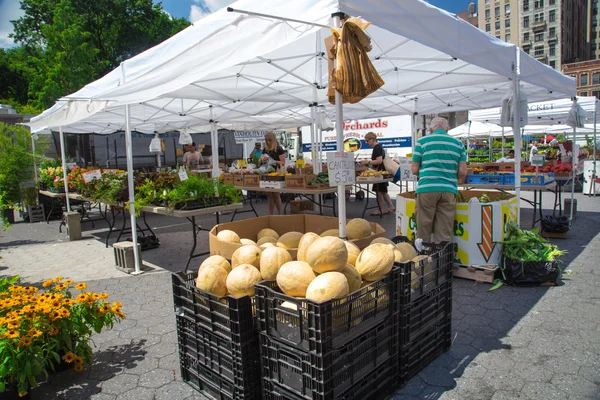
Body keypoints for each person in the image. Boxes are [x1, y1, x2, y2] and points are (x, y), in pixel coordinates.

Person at [412, 116, 467, 243]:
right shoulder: (458, 144)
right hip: (448, 190)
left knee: (423, 228)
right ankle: (442, 260)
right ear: (447, 129)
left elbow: (414, 170)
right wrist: (451, 176)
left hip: (426, 188)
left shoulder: (422, 142)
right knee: (444, 231)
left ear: (431, 128)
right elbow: (463, 172)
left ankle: (423, 259)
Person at [361, 132, 395, 215]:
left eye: (367, 140)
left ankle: (380, 210)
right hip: (382, 172)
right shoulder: (379, 147)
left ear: (372, 139)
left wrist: (368, 162)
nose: (367, 142)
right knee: (383, 191)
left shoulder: (376, 148)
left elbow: (379, 160)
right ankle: (391, 206)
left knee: (379, 191)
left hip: (379, 172)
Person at [260, 132, 287, 215]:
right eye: (267, 140)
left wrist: (274, 161)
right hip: (267, 174)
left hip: (276, 174)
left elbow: (283, 162)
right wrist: (262, 159)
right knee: (270, 195)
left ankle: (280, 214)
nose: (268, 142)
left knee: (276, 195)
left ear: (273, 140)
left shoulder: (279, 149)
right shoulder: (265, 149)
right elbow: (261, 160)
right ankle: (270, 214)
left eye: (269, 140)